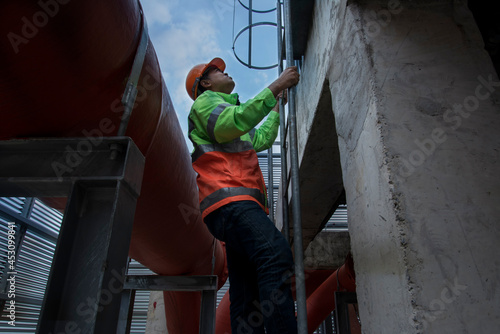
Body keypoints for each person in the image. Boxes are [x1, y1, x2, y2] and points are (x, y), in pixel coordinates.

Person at [185, 57, 300, 333]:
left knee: (246, 292)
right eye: (218, 71)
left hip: (231, 208)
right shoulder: (205, 103)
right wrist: (275, 87)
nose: (226, 72)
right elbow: (229, 124)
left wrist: (274, 108)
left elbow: (259, 140)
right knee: (275, 256)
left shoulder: (227, 110)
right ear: (206, 83)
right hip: (231, 203)